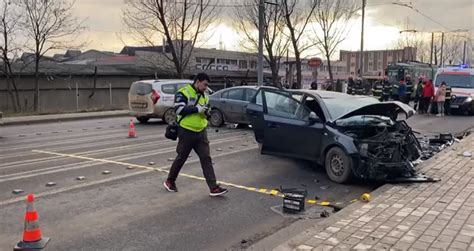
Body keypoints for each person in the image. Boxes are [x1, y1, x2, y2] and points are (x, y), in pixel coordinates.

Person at [164, 72, 228, 197]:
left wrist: (206, 113)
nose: (206, 87)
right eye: (204, 85)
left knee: (206, 159)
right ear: (197, 81)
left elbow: (206, 110)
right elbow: (178, 109)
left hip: (201, 132)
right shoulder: (183, 92)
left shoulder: (205, 95)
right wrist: (196, 109)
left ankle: (213, 187)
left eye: (207, 85)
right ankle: (170, 181)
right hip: (186, 131)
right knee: (181, 158)